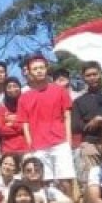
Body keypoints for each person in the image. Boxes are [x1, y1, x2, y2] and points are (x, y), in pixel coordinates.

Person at [17, 54, 75, 195]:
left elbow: (67, 116)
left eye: (42, 68)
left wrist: (68, 139)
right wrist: (30, 143)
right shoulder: (24, 97)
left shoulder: (59, 90)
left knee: (65, 180)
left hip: (59, 142)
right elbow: (24, 122)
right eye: (35, 69)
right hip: (38, 145)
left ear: (46, 69)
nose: (39, 71)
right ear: (29, 72)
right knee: (44, 181)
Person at [0, 77, 29, 157]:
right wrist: (21, 125)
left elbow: (31, 126)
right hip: (8, 149)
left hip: (26, 148)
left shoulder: (27, 104)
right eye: (9, 87)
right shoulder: (1, 107)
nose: (12, 89)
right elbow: (0, 129)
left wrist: (12, 124)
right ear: (5, 90)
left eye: (15, 86)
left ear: (20, 88)